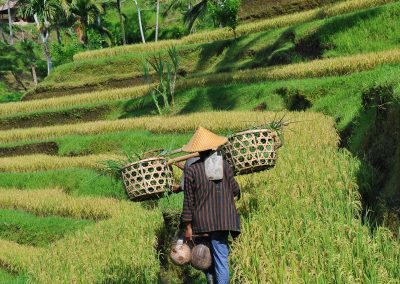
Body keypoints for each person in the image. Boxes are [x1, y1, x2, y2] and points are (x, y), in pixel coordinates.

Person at [181, 127, 241, 284]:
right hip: (224, 221)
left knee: (204, 256)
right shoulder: (224, 165)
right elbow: (235, 190)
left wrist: (188, 227)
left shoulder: (192, 171)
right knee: (221, 259)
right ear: (212, 147)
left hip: (202, 223)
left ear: (197, 150)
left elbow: (188, 201)